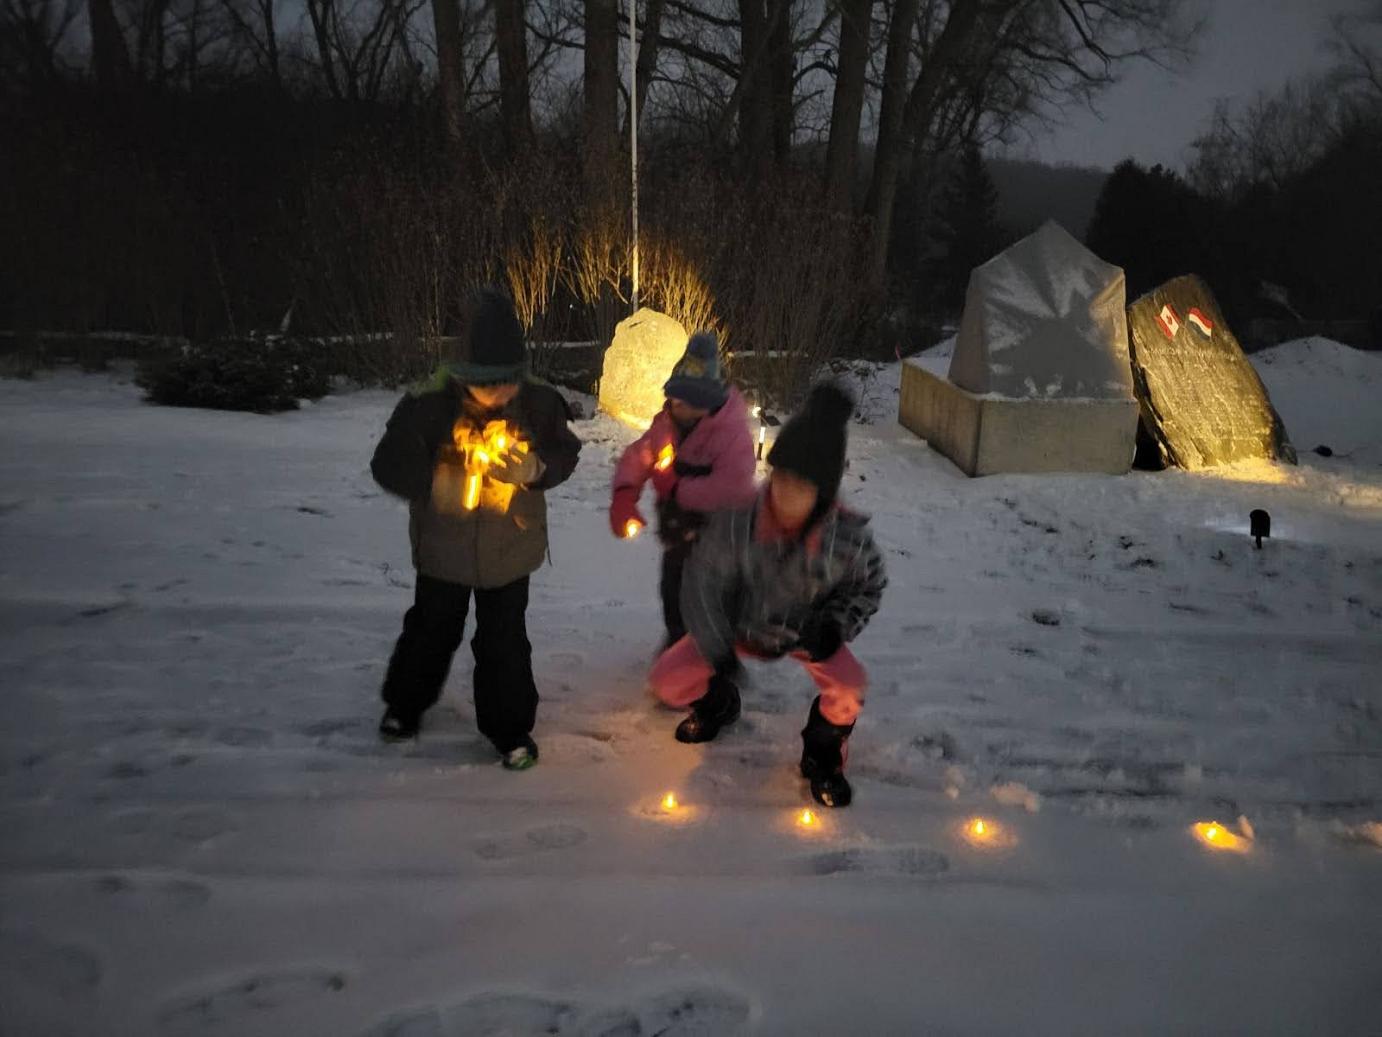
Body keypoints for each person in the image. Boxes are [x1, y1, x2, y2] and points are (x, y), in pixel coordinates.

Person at [369, 288, 581, 769]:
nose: (500, 394)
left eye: (509, 382)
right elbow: (387, 465)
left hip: (511, 552)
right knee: (431, 630)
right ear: (465, 375)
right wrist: (433, 481)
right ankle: (405, 706)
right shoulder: (428, 407)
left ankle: (509, 729)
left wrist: (536, 469)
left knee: (504, 640)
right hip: (444, 552)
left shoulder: (540, 403)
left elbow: (565, 453)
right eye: (489, 384)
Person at [648, 382, 886, 807]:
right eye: (782, 477)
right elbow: (701, 579)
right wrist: (717, 643)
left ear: (824, 492)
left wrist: (833, 625)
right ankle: (718, 704)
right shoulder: (737, 523)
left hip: (804, 635)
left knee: (850, 687)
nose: (787, 491)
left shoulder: (846, 540)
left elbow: (868, 586)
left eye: (803, 483)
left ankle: (823, 751)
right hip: (740, 628)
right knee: (668, 680)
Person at [608, 331, 757, 645]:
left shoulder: (731, 432)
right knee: (673, 595)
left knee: (710, 604)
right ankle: (678, 650)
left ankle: (711, 668)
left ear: (708, 404)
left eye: (687, 404)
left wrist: (677, 490)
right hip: (678, 536)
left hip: (720, 541)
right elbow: (640, 455)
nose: (678, 409)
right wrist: (625, 494)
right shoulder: (667, 424)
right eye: (674, 401)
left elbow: (734, 486)